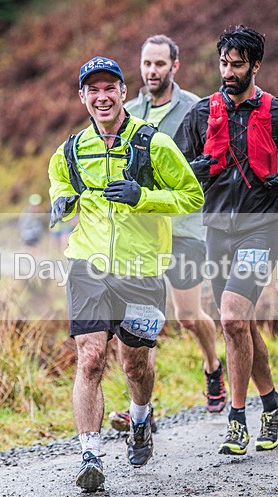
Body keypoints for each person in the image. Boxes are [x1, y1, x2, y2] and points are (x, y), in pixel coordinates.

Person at [48, 56, 203, 491]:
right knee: (90, 356)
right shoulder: (69, 151)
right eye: (92, 90)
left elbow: (191, 196)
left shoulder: (153, 144)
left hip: (141, 267)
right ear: (82, 97)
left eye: (109, 88)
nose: (102, 97)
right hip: (88, 265)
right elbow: (60, 186)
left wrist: (143, 197)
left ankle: (139, 418)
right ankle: (90, 456)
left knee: (135, 365)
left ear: (122, 92)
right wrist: (61, 203)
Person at [175, 26, 278, 455]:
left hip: (262, 228)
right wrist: (192, 172)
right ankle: (273, 404)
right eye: (223, 63)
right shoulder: (201, 113)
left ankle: (236, 420)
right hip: (217, 231)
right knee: (239, 324)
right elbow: (174, 164)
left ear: (255, 65)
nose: (228, 72)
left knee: (232, 319)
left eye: (237, 65)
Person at [107, 35, 225, 433]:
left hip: (184, 227)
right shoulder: (129, 111)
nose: (152, 71)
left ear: (175, 65)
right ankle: (142, 409)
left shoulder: (195, 108)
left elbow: (213, 162)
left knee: (187, 316)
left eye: (160, 64)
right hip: (141, 230)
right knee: (141, 322)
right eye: (147, 63)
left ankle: (212, 365)